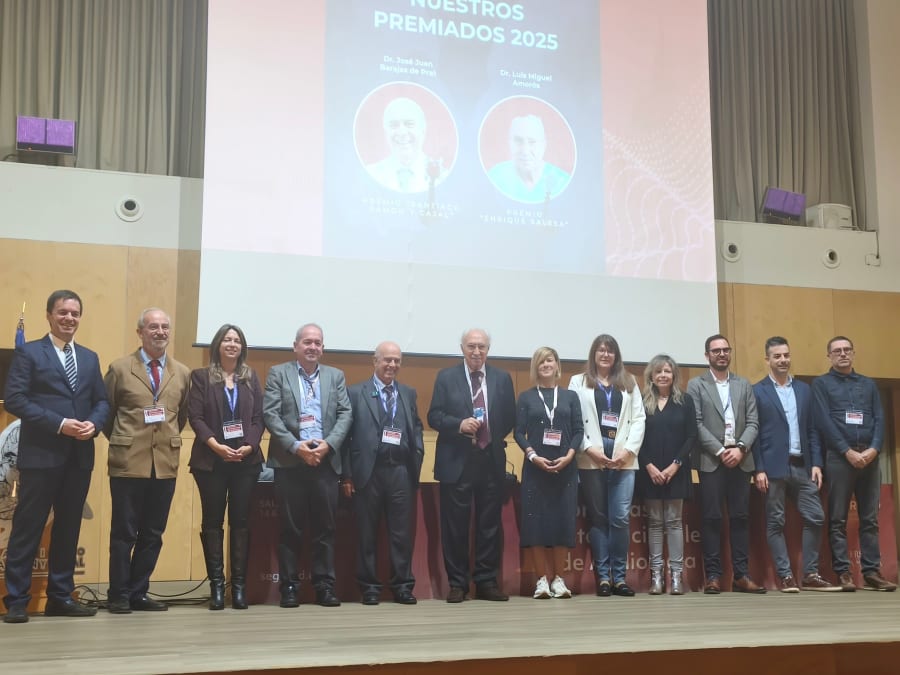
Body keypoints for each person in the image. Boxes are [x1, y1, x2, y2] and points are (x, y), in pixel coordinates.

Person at [2, 290, 109, 624]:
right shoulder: (30, 353)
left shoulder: (90, 358)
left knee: (68, 528)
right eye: (62, 312)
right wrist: (60, 424)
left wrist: (94, 423)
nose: (69, 319)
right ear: (49, 315)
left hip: (79, 457)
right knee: (27, 527)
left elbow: (102, 401)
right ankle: (17, 600)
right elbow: (14, 400)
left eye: (75, 313)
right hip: (41, 456)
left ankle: (60, 596)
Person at [103, 307, 191, 613]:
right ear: (140, 332)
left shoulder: (181, 373)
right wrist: (128, 439)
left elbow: (180, 417)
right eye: (153, 327)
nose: (160, 332)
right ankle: (118, 594)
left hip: (164, 463)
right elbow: (107, 415)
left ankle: (139, 592)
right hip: (128, 461)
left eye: (165, 326)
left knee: (153, 533)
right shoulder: (120, 368)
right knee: (124, 533)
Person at [263, 323, 352, 607]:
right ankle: (289, 588)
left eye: (318, 343)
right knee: (290, 529)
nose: (313, 347)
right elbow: (271, 414)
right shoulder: (279, 373)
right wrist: (296, 446)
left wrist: (328, 445)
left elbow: (345, 414)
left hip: (325, 461)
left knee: (325, 528)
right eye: (307, 342)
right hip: (290, 461)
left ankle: (324, 587)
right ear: (296, 346)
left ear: (322, 348)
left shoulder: (335, 376)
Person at [428, 328, 516, 603]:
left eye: (481, 347)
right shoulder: (446, 377)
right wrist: (459, 425)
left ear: (488, 349)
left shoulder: (502, 379)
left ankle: (486, 581)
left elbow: (510, 417)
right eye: (471, 347)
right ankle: (457, 583)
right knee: (455, 526)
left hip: (490, 459)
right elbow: (434, 416)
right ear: (462, 348)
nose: (476, 352)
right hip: (457, 460)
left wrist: (490, 435)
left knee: (489, 525)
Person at [752, 337, 839, 592]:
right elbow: (754, 433)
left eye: (786, 355)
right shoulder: (757, 391)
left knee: (816, 516)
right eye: (777, 356)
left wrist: (817, 464)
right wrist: (758, 469)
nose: (783, 360)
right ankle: (785, 576)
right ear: (767, 359)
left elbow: (812, 429)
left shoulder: (804, 390)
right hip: (772, 468)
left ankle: (810, 574)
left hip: (803, 466)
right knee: (775, 522)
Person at [188, 324, 265, 610]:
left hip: (245, 461)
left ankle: (239, 588)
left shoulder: (251, 377)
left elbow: (259, 417)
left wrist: (250, 445)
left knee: (241, 523)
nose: (232, 344)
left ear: (242, 347)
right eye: (227, 339)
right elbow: (195, 417)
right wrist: (216, 446)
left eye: (237, 340)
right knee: (212, 523)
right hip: (211, 461)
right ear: (217, 345)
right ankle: (217, 588)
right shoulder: (201, 377)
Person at [341, 341, 424, 605]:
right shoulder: (356, 393)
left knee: (401, 534)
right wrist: (347, 475)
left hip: (400, 472)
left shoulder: (408, 393)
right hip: (368, 473)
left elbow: (417, 428)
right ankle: (370, 588)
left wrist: (417, 457)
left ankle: (402, 586)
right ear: (374, 362)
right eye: (386, 360)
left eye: (397, 360)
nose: (392, 365)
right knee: (367, 533)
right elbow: (345, 438)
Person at [811, 336, 897, 592]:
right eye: (837, 351)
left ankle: (872, 572)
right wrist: (846, 451)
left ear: (854, 353)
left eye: (847, 349)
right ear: (829, 356)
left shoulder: (868, 384)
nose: (843, 354)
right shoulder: (821, 384)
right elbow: (824, 422)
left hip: (870, 458)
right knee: (837, 519)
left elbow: (880, 419)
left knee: (870, 519)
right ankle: (843, 573)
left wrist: (874, 449)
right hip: (839, 458)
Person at [569, 334, 645, 597]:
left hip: (624, 460)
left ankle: (619, 578)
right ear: (593, 354)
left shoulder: (629, 381)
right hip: (592, 460)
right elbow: (575, 419)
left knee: (621, 518)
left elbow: (639, 419)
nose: (605, 355)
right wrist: (589, 449)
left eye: (610, 351)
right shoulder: (577, 382)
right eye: (600, 350)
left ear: (616, 356)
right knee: (599, 518)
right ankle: (603, 578)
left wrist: (628, 451)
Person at [686, 334, 761, 594]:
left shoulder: (744, 384)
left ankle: (741, 576)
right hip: (711, 460)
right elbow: (695, 423)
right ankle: (713, 577)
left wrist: (740, 449)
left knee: (741, 518)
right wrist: (720, 451)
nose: (721, 354)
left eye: (725, 350)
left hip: (741, 459)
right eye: (715, 351)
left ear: (730, 353)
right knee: (711, 518)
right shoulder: (696, 385)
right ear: (707, 355)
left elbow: (753, 422)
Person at [513, 347, 583, 599]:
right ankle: (541, 580)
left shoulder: (570, 397)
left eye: (549, 360)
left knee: (563, 524)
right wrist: (532, 455)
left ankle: (559, 580)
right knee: (536, 525)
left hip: (565, 469)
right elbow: (518, 433)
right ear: (536, 366)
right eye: (541, 361)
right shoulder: (526, 397)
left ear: (557, 365)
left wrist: (569, 456)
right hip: (536, 469)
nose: (545, 365)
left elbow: (577, 431)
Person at [637, 354, 696, 596]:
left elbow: (692, 436)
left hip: (676, 471)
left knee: (673, 522)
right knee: (654, 524)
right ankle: (657, 577)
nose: (663, 375)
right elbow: (636, 438)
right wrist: (649, 466)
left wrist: (675, 465)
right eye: (658, 371)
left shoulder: (686, 401)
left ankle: (676, 577)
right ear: (651, 375)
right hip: (649, 471)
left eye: (667, 371)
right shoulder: (641, 402)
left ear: (674, 376)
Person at [366, 97, 446, 193]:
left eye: (409, 124)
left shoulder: (442, 175)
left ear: (423, 131)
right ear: (386, 132)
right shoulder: (370, 174)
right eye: (394, 125)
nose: (402, 132)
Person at [487, 114, 572, 203]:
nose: (525, 151)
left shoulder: (562, 182)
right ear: (509, 143)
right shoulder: (495, 177)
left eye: (532, 142)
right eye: (518, 141)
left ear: (544, 145)